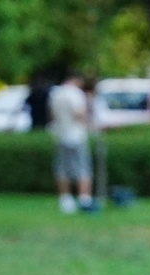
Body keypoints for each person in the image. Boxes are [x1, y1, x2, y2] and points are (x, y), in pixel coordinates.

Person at [49, 72, 94, 213]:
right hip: (76, 135)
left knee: (62, 168)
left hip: (60, 134)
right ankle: (84, 198)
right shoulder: (76, 94)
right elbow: (79, 113)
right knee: (83, 167)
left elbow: (52, 114)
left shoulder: (56, 93)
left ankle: (65, 199)